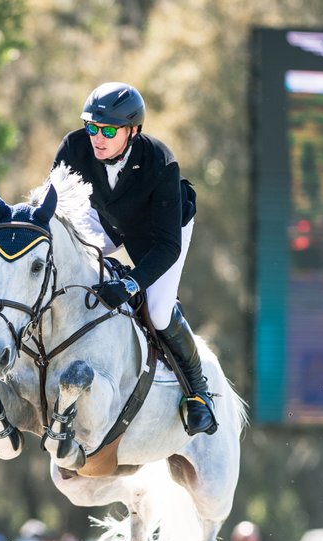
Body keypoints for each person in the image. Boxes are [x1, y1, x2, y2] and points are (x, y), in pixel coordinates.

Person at [52, 81, 215, 435]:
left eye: (108, 130)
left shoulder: (159, 160)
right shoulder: (73, 147)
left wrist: (129, 284)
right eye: (92, 127)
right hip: (107, 220)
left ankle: (199, 392)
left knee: (156, 311)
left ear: (133, 130)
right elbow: (55, 210)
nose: (97, 137)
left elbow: (168, 247)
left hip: (159, 232)